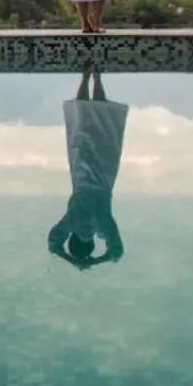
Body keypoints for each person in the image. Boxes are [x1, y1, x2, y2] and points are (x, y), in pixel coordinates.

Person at [47, 65, 127, 269]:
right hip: (82, 172)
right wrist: (73, 260)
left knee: (104, 123)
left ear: (91, 244)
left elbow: (116, 252)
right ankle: (86, 77)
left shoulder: (103, 226)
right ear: (71, 239)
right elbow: (54, 244)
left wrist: (94, 261)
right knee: (82, 122)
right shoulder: (72, 222)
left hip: (104, 172)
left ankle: (97, 78)